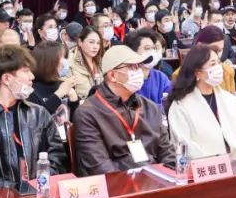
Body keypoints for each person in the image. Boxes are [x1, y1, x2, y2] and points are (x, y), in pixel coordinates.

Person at [0, 45, 68, 190]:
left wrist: (39, 184)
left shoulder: (39, 113)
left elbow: (57, 155)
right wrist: (15, 190)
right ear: (7, 78)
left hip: (40, 192)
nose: (32, 77)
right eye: (26, 71)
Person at [72, 45, 175, 175]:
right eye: (132, 67)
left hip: (157, 180)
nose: (138, 72)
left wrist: (169, 176)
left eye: (139, 66)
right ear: (112, 75)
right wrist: (141, 173)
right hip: (118, 183)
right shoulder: (88, 113)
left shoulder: (150, 108)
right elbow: (100, 167)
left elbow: (168, 154)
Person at [166, 45, 236, 158]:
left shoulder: (230, 99)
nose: (219, 68)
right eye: (213, 64)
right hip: (203, 165)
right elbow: (183, 143)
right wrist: (212, 161)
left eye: (219, 62)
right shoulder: (180, 105)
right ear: (198, 72)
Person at [124, 28, 171, 106]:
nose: (152, 52)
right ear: (133, 52)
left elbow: (171, 101)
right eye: (147, 48)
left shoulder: (160, 77)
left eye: (154, 48)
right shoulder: (127, 80)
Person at [28, 41, 78, 115]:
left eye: (65, 57)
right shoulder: (30, 90)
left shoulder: (62, 85)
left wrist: (74, 98)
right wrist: (59, 94)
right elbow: (39, 117)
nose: (64, 62)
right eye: (62, 57)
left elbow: (75, 118)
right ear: (49, 62)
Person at [70, 27, 104, 102]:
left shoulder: (102, 62)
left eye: (98, 43)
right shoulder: (70, 62)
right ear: (80, 42)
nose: (95, 47)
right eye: (91, 42)